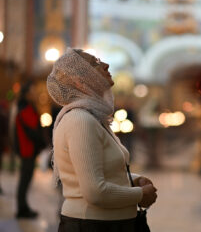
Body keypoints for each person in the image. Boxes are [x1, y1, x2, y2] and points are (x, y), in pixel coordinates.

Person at [47, 48, 157, 232]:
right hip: (92, 225)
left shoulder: (93, 118)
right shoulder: (80, 120)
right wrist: (139, 195)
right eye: (95, 63)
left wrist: (133, 180)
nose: (105, 65)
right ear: (79, 80)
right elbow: (95, 193)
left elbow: (101, 172)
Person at [15, 81, 45, 218]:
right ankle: (22, 210)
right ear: (27, 94)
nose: (34, 95)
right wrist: (43, 142)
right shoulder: (25, 108)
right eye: (32, 92)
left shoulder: (24, 107)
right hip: (27, 149)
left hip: (27, 149)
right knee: (24, 181)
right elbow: (32, 131)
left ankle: (23, 207)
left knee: (25, 181)